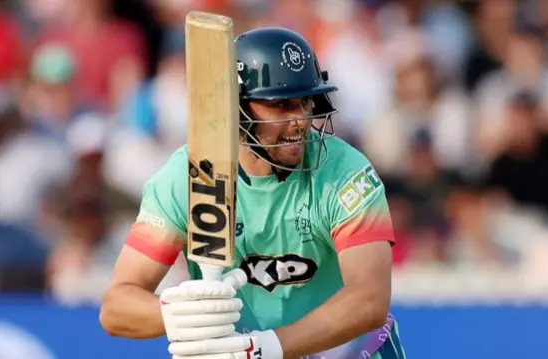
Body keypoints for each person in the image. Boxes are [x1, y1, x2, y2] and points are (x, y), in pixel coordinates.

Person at [99, 26, 405, 359]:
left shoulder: (344, 172)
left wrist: (266, 347)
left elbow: (369, 301)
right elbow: (117, 307)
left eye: (305, 102)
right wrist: (180, 316)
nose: (300, 120)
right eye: (281, 105)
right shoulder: (190, 176)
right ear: (238, 109)